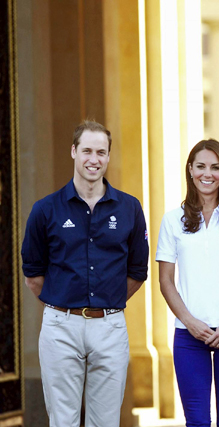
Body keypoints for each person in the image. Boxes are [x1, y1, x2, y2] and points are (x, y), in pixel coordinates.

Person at [21, 120, 149, 426]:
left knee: (104, 421)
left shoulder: (130, 208)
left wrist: (107, 300)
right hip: (60, 328)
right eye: (87, 151)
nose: (94, 159)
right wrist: (65, 303)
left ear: (108, 157)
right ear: (73, 152)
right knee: (62, 420)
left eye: (101, 152)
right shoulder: (45, 210)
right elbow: (34, 276)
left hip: (110, 327)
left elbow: (137, 272)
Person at [155, 139, 219, 426]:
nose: (207, 173)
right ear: (190, 170)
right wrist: (189, 321)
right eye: (200, 166)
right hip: (189, 336)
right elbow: (165, 281)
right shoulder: (172, 220)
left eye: (215, 167)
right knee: (197, 422)